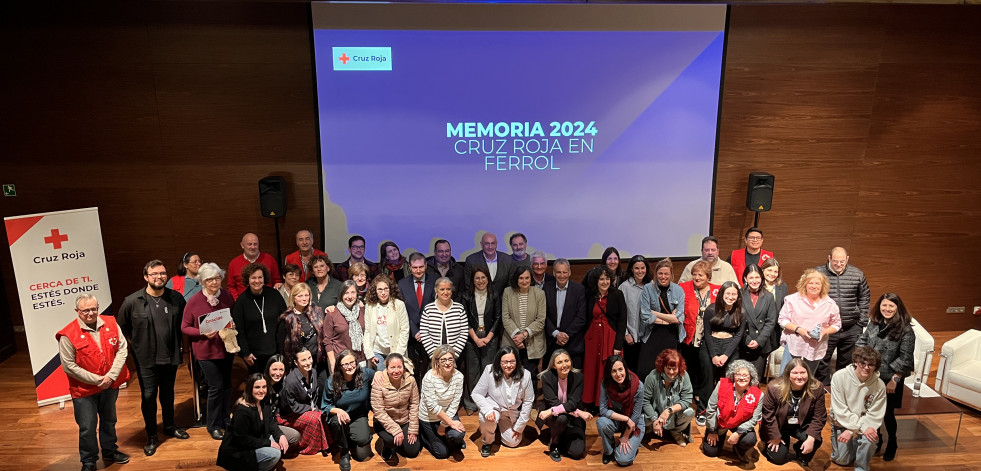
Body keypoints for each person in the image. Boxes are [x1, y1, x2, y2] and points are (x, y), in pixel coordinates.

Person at [116, 259, 189, 456]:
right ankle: (151, 435)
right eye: (155, 274)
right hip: (146, 360)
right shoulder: (132, 301)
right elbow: (121, 329)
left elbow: (186, 322)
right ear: (146, 277)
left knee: (168, 393)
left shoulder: (176, 298)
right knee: (148, 396)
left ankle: (169, 426)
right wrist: (135, 348)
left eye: (163, 273)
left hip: (170, 356)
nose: (159, 277)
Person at [58, 294, 131, 471]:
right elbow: (69, 366)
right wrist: (98, 380)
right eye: (86, 310)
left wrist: (111, 376)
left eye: (94, 309)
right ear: (77, 311)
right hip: (84, 390)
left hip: (110, 385)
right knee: (87, 427)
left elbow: (122, 348)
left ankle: (109, 450)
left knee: (109, 420)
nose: (91, 313)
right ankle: (89, 461)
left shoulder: (111, 323)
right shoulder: (68, 334)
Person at [856, 293, 915, 461]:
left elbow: (905, 358)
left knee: (887, 414)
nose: (887, 309)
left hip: (890, 378)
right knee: (869, 410)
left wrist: (894, 380)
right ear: (879, 306)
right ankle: (878, 440)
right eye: (884, 305)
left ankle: (892, 443)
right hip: (869, 375)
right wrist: (861, 360)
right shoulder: (874, 324)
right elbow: (862, 340)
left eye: (891, 306)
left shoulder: (906, 330)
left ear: (898, 308)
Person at [182, 262, 236, 440]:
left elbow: (232, 317)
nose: (214, 282)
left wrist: (233, 324)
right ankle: (212, 425)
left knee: (227, 386)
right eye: (210, 279)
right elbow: (185, 327)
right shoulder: (194, 301)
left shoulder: (227, 296)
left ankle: (225, 419)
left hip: (226, 349)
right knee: (215, 387)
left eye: (217, 278)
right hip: (206, 352)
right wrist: (202, 332)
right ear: (203, 281)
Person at [815, 247, 871, 385]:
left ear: (847, 259)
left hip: (851, 327)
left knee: (847, 362)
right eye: (835, 261)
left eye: (842, 261)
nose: (838, 265)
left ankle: (840, 387)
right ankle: (824, 389)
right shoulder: (818, 273)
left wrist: (861, 322)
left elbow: (864, 297)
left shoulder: (857, 274)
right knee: (822, 360)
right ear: (829, 258)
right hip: (827, 327)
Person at [778, 269, 842, 382]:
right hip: (795, 343)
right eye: (810, 283)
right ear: (805, 284)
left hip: (816, 346)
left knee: (807, 378)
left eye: (818, 283)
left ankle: (802, 399)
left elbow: (837, 324)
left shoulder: (830, 304)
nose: (814, 286)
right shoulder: (792, 300)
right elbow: (782, 320)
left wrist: (825, 332)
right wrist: (799, 329)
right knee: (785, 377)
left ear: (823, 286)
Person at [760, 358, 826, 467]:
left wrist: (811, 438)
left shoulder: (817, 388)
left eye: (802, 372)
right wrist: (774, 436)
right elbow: (768, 415)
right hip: (779, 426)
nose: (799, 376)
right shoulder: (774, 387)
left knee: (815, 440)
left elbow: (820, 416)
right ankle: (771, 445)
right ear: (788, 374)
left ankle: (800, 452)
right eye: (795, 373)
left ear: (808, 373)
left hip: (801, 425)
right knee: (778, 458)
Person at [471, 346, 536, 457]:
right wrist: (487, 411)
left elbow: (528, 401)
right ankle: (488, 441)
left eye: (512, 361)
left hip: (510, 414)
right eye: (505, 362)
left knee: (512, 442)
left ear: (517, 361)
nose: (509, 365)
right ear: (499, 361)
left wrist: (520, 426)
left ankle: (498, 427)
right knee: (484, 417)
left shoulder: (526, 375)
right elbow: (476, 393)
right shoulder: (489, 370)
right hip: (494, 408)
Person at [829, 346, 887, 471]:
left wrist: (852, 431)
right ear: (855, 362)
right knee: (841, 460)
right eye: (862, 363)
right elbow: (840, 410)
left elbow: (875, 414)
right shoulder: (839, 377)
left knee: (870, 438)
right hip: (841, 422)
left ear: (875, 366)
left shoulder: (880, 385)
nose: (866, 367)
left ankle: (861, 468)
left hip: (864, 423)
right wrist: (852, 429)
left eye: (870, 364)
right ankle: (854, 443)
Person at [677, 260, 719, 425]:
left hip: (709, 338)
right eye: (694, 274)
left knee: (706, 373)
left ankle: (702, 409)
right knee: (688, 370)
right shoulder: (684, 288)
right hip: (688, 337)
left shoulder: (718, 290)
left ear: (708, 276)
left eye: (700, 275)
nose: (696, 277)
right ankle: (683, 406)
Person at [216, 373, 288, 471]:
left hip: (257, 437)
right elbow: (242, 440)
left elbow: (270, 422)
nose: (261, 391)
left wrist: (280, 435)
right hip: (239, 450)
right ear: (250, 389)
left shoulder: (264, 402)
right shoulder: (243, 411)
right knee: (275, 454)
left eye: (264, 387)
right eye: (257, 387)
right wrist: (268, 443)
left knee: (284, 440)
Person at [323, 350, 376, 471]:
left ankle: (350, 437)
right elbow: (325, 406)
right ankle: (344, 452)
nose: (350, 366)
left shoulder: (365, 374)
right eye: (345, 364)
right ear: (339, 366)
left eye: (352, 362)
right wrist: (338, 411)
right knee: (337, 421)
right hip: (340, 418)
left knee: (363, 451)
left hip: (358, 416)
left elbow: (380, 374)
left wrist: (378, 374)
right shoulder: (331, 382)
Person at [702, 360, 764, 462]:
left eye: (745, 375)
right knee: (711, 452)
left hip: (741, 424)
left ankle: (738, 449)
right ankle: (715, 434)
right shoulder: (721, 385)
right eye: (738, 374)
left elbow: (755, 418)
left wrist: (739, 433)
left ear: (751, 377)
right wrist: (712, 430)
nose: (741, 377)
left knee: (750, 439)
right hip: (721, 423)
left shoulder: (758, 395)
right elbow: (711, 409)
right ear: (733, 376)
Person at [583, 266, 627, 407]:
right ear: (596, 281)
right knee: (592, 370)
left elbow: (622, 321)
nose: (604, 282)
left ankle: (609, 404)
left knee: (609, 370)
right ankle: (592, 403)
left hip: (611, 338)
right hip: (592, 339)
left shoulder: (617, 294)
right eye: (601, 279)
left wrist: (618, 345)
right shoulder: (590, 295)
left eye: (607, 278)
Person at [233, 263, 287, 376]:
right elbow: (239, 330)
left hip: (275, 352)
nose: (257, 281)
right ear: (247, 279)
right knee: (258, 387)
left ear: (264, 278)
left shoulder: (274, 295)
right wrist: (245, 353)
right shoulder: (241, 301)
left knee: (276, 384)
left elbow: (285, 321)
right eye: (253, 277)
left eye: (260, 277)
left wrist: (282, 350)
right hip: (253, 356)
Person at [538, 349, 592, 462]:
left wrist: (552, 410)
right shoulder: (546, 377)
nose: (564, 365)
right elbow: (554, 403)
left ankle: (559, 435)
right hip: (555, 417)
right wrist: (579, 413)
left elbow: (572, 404)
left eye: (566, 360)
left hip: (572, 418)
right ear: (553, 365)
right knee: (562, 418)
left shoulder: (579, 377)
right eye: (559, 362)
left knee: (578, 453)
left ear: (571, 362)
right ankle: (554, 444)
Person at [461, 266, 502, 413]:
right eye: (477, 278)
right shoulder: (466, 296)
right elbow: (464, 319)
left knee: (488, 370)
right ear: (473, 280)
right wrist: (476, 339)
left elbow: (498, 318)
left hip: (490, 337)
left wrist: (488, 337)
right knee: (472, 372)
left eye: (483, 277)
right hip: (471, 338)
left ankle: (487, 402)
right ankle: (471, 403)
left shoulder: (494, 294)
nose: (480, 281)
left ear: (488, 279)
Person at [637, 258, 685, 381]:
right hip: (652, 333)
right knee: (646, 369)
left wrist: (656, 313)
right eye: (660, 273)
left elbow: (679, 318)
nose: (663, 277)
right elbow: (646, 316)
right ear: (656, 274)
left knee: (669, 368)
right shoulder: (647, 288)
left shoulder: (678, 290)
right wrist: (669, 319)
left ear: (671, 275)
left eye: (666, 274)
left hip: (671, 334)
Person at [371, 353, 422, 462]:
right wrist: (396, 430)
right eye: (392, 367)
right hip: (384, 422)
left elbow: (414, 404)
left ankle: (398, 442)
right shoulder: (379, 383)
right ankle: (387, 445)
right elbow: (379, 411)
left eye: (399, 367)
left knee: (413, 452)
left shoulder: (411, 381)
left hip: (404, 419)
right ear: (387, 368)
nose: (396, 371)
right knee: (390, 439)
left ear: (404, 368)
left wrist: (413, 429)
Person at [418, 345, 467, 459]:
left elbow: (455, 403)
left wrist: (444, 425)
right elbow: (432, 407)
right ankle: (424, 436)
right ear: (437, 362)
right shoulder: (429, 378)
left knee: (458, 434)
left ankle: (451, 440)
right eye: (443, 360)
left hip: (448, 414)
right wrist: (450, 423)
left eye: (450, 359)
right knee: (442, 454)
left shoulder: (459, 376)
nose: (447, 363)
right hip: (429, 417)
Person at [279, 348, 330, 455]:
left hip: (309, 407)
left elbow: (315, 394)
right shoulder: (290, 380)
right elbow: (291, 405)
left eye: (309, 358)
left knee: (322, 414)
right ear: (296, 363)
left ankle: (327, 444)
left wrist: (314, 408)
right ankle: (315, 447)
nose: (308, 362)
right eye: (303, 360)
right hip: (291, 414)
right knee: (315, 418)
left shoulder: (314, 372)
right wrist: (310, 409)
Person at [596, 354, 645, 466]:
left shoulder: (638, 386)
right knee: (602, 422)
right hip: (620, 418)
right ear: (609, 373)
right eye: (613, 371)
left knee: (623, 460)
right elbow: (603, 410)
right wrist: (626, 419)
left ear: (625, 369)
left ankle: (630, 444)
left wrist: (626, 436)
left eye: (620, 369)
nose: (618, 374)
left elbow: (636, 415)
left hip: (635, 423)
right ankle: (609, 451)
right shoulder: (606, 383)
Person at [501, 265, 547, 378]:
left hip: (533, 342)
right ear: (516, 279)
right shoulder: (508, 292)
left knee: (530, 376)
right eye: (521, 278)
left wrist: (524, 335)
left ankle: (531, 396)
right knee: (511, 375)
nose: (524, 281)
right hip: (512, 341)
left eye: (527, 278)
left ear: (531, 278)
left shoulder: (539, 294)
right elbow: (505, 317)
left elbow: (541, 320)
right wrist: (517, 336)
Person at [642, 349, 694, 448]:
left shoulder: (684, 376)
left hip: (674, 414)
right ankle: (650, 428)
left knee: (689, 413)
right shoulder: (653, 376)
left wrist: (669, 410)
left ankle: (676, 432)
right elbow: (645, 400)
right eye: (668, 368)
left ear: (679, 368)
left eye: (674, 369)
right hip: (655, 412)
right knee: (642, 418)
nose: (671, 372)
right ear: (663, 366)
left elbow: (687, 399)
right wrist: (654, 419)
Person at [398, 252, 436, 383]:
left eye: (421, 267)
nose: (418, 270)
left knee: (430, 370)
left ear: (426, 265)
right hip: (411, 334)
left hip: (431, 333)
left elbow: (437, 308)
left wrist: (425, 331)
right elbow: (402, 311)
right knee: (413, 370)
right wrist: (415, 332)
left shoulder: (435, 281)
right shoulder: (402, 284)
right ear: (409, 267)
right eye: (415, 267)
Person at [543, 258, 588, 369]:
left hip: (573, 343)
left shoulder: (579, 289)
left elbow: (581, 317)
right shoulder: (546, 288)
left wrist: (566, 335)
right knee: (551, 378)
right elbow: (543, 315)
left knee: (574, 380)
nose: (562, 275)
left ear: (569, 272)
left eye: (564, 272)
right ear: (553, 273)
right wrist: (556, 334)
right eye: (558, 272)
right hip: (552, 342)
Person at [277, 283, 327, 376]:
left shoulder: (317, 311)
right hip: (299, 363)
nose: (304, 299)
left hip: (319, 360)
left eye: (306, 295)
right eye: (300, 296)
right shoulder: (287, 318)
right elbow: (281, 345)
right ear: (293, 298)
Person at [363, 275, 410, 370]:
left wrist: (397, 355)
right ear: (375, 291)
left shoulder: (399, 305)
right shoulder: (370, 306)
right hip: (377, 351)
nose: (383, 293)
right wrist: (369, 354)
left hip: (395, 350)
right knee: (381, 378)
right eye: (380, 289)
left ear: (390, 289)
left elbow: (405, 331)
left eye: (386, 289)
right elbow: (367, 331)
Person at [740, 264, 778, 378]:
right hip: (742, 343)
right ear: (745, 278)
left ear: (761, 278)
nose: (754, 281)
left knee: (755, 380)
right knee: (740, 378)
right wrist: (747, 339)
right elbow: (735, 320)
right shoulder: (738, 294)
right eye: (751, 278)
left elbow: (771, 321)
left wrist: (759, 340)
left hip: (761, 345)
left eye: (757, 277)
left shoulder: (769, 296)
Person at [702, 281, 744, 384]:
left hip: (730, 346)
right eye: (728, 294)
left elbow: (739, 335)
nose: (730, 297)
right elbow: (707, 333)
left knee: (727, 380)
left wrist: (726, 355)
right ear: (722, 294)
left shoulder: (741, 312)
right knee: (708, 380)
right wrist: (714, 356)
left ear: (738, 296)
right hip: (711, 345)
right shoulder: (711, 309)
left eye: (734, 294)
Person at [420, 277, 468, 359]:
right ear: (436, 290)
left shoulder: (459, 308)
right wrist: (435, 356)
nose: (445, 292)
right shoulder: (428, 309)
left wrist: (452, 356)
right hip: (434, 358)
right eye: (442, 289)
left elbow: (464, 332)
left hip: (455, 357)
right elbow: (424, 333)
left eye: (448, 289)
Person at [323, 280, 367, 370]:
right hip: (341, 361)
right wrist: (332, 362)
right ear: (341, 295)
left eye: (353, 292)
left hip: (361, 360)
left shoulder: (363, 310)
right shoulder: (332, 313)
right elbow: (328, 341)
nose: (350, 296)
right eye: (346, 293)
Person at [618, 255, 650, 373]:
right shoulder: (624, 287)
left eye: (643, 268)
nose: (640, 271)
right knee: (631, 370)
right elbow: (620, 314)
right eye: (637, 268)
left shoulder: (651, 286)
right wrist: (626, 334)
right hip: (630, 338)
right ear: (631, 269)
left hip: (647, 337)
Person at [228, 233, 282, 300]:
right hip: (244, 302)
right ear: (242, 245)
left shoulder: (269, 259)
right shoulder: (234, 263)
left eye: (255, 244)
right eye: (249, 244)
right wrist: (238, 300)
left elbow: (277, 281)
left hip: (267, 300)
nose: (253, 247)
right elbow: (231, 287)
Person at [262, 355, 301, 449]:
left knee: (296, 436)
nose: (278, 373)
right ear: (268, 369)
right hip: (261, 426)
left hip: (273, 422)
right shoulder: (262, 386)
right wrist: (278, 434)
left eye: (281, 370)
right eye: (274, 369)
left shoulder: (281, 385)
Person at [464, 232, 513, 296]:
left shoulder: (507, 260)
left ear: (496, 244)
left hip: (503, 302)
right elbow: (469, 286)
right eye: (487, 244)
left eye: (493, 243)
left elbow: (510, 285)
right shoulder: (471, 261)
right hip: (480, 301)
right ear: (481, 244)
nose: (490, 247)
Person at [760, 257, 788, 350]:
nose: (772, 274)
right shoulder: (757, 285)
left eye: (775, 272)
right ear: (763, 270)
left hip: (776, 329)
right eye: (769, 270)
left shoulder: (782, 286)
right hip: (760, 328)